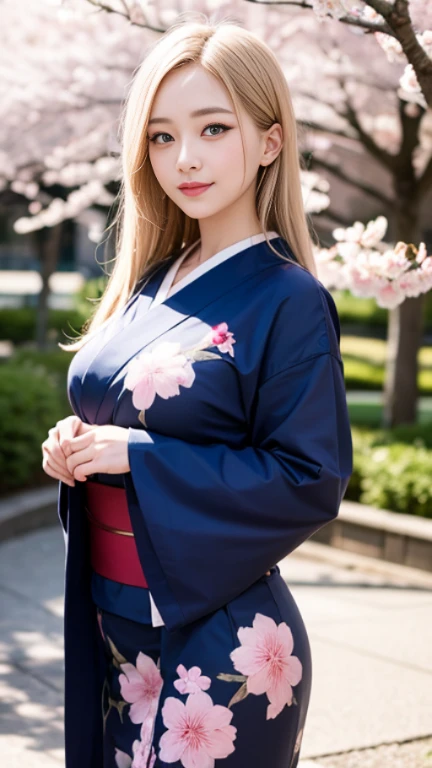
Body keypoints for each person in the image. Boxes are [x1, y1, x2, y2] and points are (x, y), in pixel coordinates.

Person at [41, 17, 353, 768]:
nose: (185, 159)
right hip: (117, 626)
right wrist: (78, 446)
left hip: (223, 641)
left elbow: (311, 476)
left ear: (270, 142)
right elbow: (122, 414)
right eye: (161, 136)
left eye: (214, 129)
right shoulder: (150, 281)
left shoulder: (288, 298)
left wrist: (136, 455)